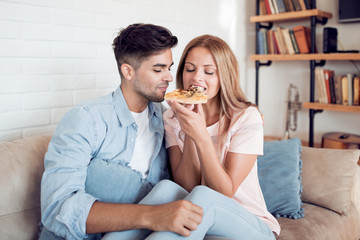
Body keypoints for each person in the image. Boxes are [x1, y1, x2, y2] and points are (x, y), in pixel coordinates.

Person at [39, 23, 203, 240]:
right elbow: (58, 208)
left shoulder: (164, 117)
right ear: (128, 71)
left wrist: (194, 129)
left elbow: (183, 188)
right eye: (158, 69)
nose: (169, 78)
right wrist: (152, 215)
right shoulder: (86, 119)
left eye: (169, 68)